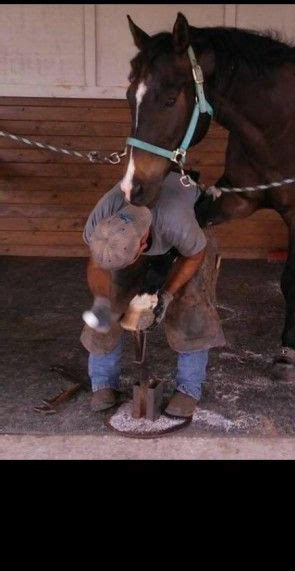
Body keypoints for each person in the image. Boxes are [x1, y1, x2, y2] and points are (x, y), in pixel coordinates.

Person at [80, 170, 225, 418]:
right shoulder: (100, 221)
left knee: (190, 303)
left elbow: (195, 255)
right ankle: (103, 382)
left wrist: (166, 295)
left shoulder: (175, 221)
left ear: (143, 244)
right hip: (135, 239)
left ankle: (189, 388)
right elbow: (97, 265)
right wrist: (102, 301)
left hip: (190, 240)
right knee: (110, 298)